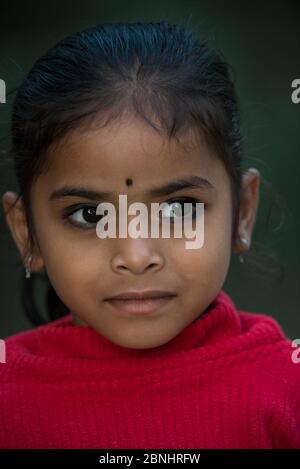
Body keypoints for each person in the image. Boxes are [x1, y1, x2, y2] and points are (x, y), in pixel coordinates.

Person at [1, 21, 299, 449]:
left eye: (179, 209)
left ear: (242, 213)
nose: (137, 256)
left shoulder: (285, 387)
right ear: (27, 233)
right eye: (89, 215)